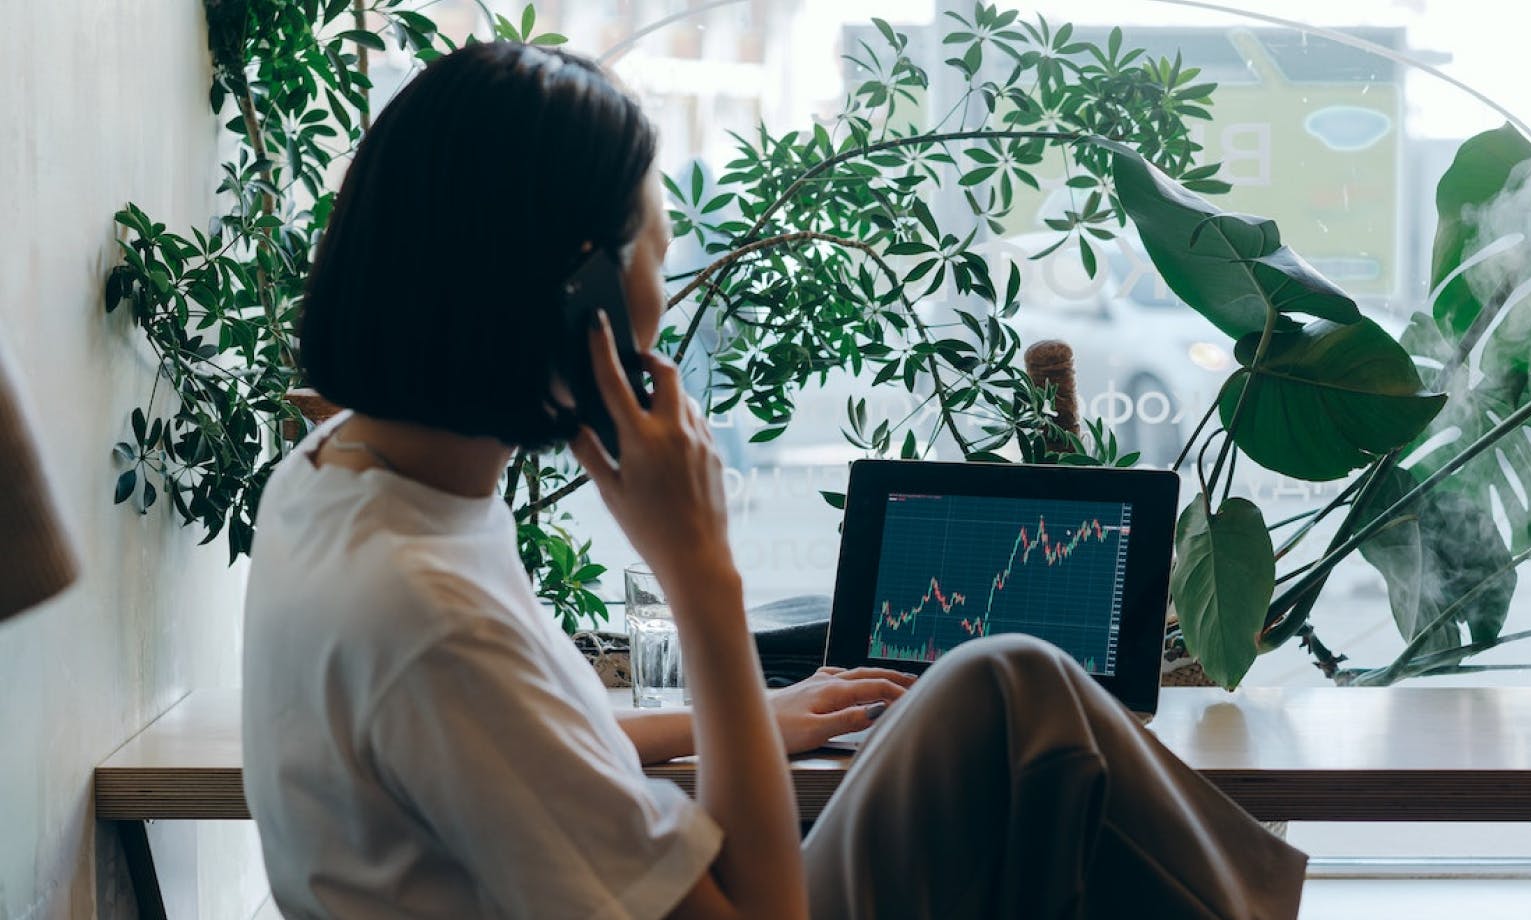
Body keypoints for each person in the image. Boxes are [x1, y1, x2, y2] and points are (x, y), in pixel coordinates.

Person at [241, 40, 1306, 920]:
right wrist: (703, 578)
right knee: (1037, 755)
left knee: (1007, 684)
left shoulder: (343, 476)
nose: (677, 275)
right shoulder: (431, 618)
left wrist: (760, 711)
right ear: (582, 301)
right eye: (661, 245)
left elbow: (521, 741)